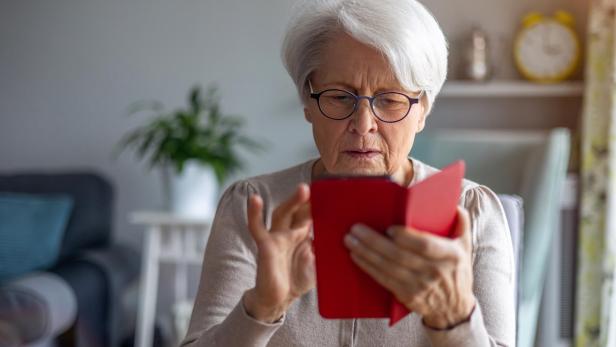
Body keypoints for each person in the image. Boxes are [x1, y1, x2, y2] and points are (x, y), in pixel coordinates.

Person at [181, 0, 515, 346]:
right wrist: (261, 307)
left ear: (422, 110)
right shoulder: (254, 208)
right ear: (308, 102)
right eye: (340, 97)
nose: (363, 125)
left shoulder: (472, 211)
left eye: (390, 99)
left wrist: (455, 320)